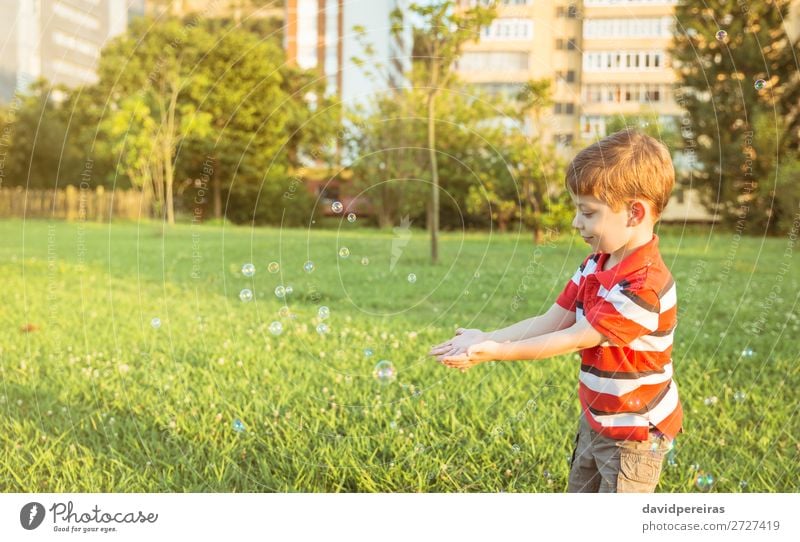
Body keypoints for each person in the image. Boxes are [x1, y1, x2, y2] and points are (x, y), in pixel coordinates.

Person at [427, 128, 682, 493]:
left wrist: (497, 353)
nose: (577, 223)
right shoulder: (596, 263)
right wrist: (487, 337)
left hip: (635, 435)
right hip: (597, 418)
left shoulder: (643, 286)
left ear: (634, 213)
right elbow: (553, 320)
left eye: (588, 212)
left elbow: (573, 338)